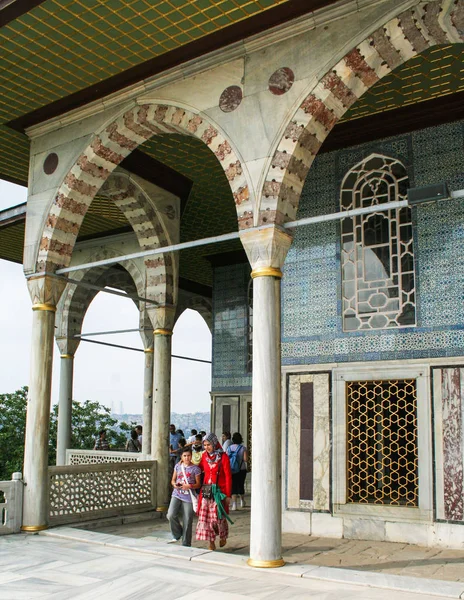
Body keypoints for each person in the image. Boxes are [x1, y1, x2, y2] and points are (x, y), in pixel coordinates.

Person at [196, 432, 232, 551]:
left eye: (209, 445)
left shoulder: (223, 457)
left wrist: (228, 495)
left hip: (219, 492)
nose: (207, 447)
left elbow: (228, 476)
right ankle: (211, 541)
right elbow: (199, 468)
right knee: (206, 518)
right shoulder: (204, 457)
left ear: (214, 444)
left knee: (218, 517)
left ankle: (222, 536)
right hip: (207, 491)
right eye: (205, 445)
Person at [167, 447, 201, 547]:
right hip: (177, 494)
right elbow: (173, 479)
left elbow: (198, 484)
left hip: (189, 496)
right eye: (185, 456)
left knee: (187, 519)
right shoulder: (178, 466)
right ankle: (177, 533)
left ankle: (186, 543)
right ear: (181, 457)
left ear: (191, 456)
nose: (187, 458)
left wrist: (189, 486)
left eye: (189, 455)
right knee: (170, 514)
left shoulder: (195, 468)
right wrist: (174, 484)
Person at [226, 432, 248, 511]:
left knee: (233, 486)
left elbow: (226, 459)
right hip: (241, 470)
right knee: (241, 485)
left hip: (231, 469)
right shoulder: (243, 448)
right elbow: (245, 459)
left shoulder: (229, 448)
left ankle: (234, 504)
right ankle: (242, 501)